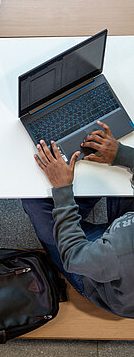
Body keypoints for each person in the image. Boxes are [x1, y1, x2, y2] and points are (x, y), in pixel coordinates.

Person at [22, 121, 134, 317]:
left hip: (101, 276)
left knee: (36, 201)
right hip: (121, 243)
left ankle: (70, 197)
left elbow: (74, 255)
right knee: (110, 173)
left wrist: (62, 189)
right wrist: (121, 154)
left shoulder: (122, 253)